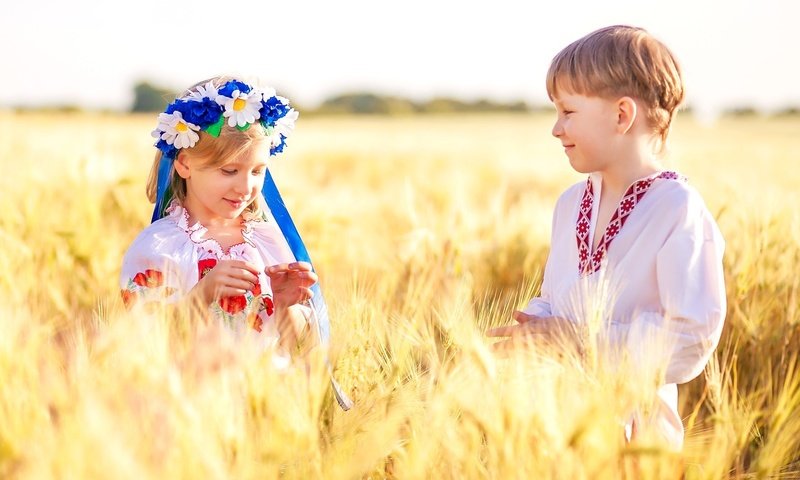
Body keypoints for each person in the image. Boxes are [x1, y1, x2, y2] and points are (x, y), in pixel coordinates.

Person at [487, 25, 726, 449]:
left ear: (621, 115)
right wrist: (534, 327)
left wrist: (579, 341)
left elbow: (691, 340)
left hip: (635, 447)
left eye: (568, 112)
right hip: (558, 435)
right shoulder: (570, 203)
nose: (556, 129)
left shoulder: (677, 209)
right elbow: (560, 298)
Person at [120, 76, 338, 385]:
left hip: (264, 406)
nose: (245, 186)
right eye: (229, 171)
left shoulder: (268, 241)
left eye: (257, 171)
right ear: (184, 163)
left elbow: (294, 347)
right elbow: (141, 341)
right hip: (189, 408)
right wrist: (202, 294)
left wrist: (285, 305)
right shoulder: (159, 247)